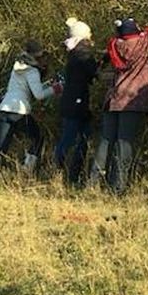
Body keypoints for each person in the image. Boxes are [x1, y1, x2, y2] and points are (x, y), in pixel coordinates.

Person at [89, 3, 148, 193]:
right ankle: (117, 187)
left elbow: (137, 37)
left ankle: (93, 183)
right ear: (135, 32)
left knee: (106, 142)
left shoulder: (116, 44)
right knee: (124, 144)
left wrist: (145, 32)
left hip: (113, 100)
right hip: (131, 102)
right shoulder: (142, 44)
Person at [0, 40, 61, 178]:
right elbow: (38, 95)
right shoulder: (33, 71)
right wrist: (56, 89)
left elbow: (27, 88)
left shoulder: (17, 67)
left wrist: (48, 84)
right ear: (37, 57)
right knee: (37, 138)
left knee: (0, 146)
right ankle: (27, 169)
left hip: (4, 108)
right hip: (20, 111)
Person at [54, 17, 100, 186]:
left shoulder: (74, 52)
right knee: (73, 139)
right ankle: (64, 173)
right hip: (77, 103)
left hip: (72, 102)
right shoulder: (83, 53)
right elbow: (94, 73)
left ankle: (69, 174)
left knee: (77, 138)